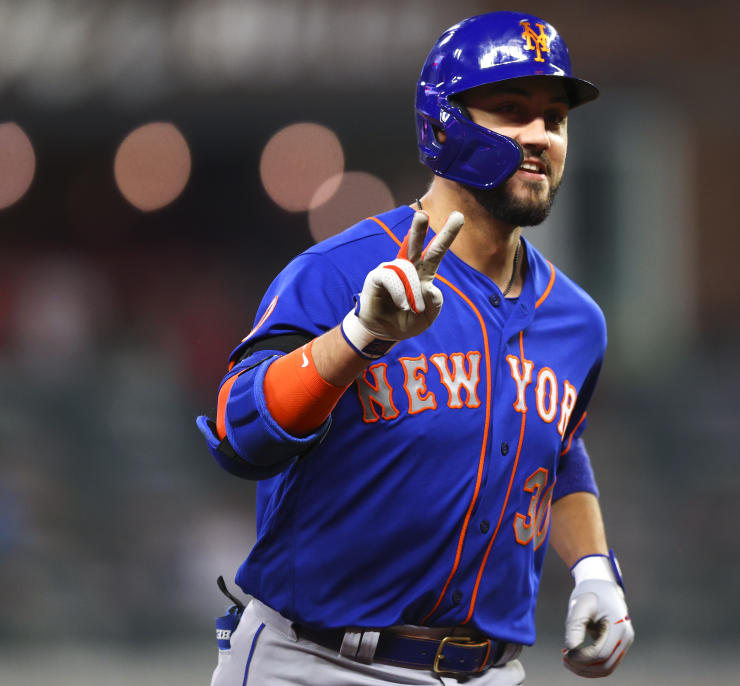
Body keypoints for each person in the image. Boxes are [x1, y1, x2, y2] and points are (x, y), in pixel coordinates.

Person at [197, 11, 633, 685]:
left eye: (554, 118)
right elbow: (238, 434)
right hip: (316, 661)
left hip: (488, 671)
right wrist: (356, 339)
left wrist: (595, 572)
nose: (539, 136)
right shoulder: (340, 272)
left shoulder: (577, 321)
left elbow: (559, 448)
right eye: (511, 110)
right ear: (443, 122)